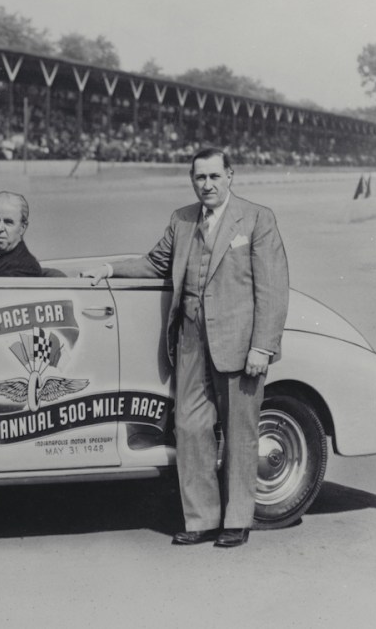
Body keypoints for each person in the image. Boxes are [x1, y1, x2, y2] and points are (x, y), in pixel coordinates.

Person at [90, 148, 289, 548]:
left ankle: (236, 520)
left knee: (239, 431)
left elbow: (272, 288)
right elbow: (155, 263)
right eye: (200, 178)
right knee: (190, 427)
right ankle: (201, 519)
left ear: (230, 175)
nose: (207, 185)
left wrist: (262, 347)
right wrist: (110, 269)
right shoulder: (182, 221)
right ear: (192, 180)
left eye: (215, 177)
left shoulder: (256, 218)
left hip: (239, 343)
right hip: (191, 340)